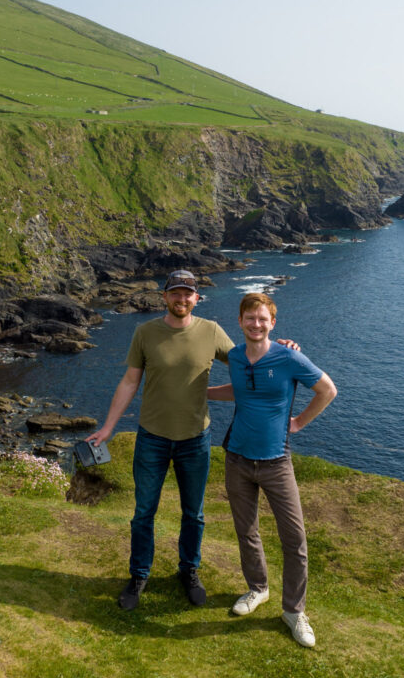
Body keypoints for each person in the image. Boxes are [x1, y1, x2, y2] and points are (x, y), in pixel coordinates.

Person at [86, 270, 296, 611]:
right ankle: (139, 575)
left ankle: (189, 571)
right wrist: (109, 427)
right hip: (152, 438)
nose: (181, 299)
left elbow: (248, 361)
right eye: (175, 293)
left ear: (197, 298)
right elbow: (129, 381)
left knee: (194, 514)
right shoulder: (145, 333)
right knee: (143, 513)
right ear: (165, 297)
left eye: (188, 294)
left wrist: (279, 348)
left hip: (195, 440)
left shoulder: (211, 331)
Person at [209, 292, 336, 647]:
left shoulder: (289, 356)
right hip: (236, 457)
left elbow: (327, 390)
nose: (256, 324)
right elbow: (240, 391)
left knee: (294, 540)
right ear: (240, 321)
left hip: (276, 462)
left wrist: (298, 423)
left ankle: (294, 611)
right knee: (245, 530)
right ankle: (257, 589)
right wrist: (200, 392)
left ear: (272, 323)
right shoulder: (234, 356)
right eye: (250, 318)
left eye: (262, 319)